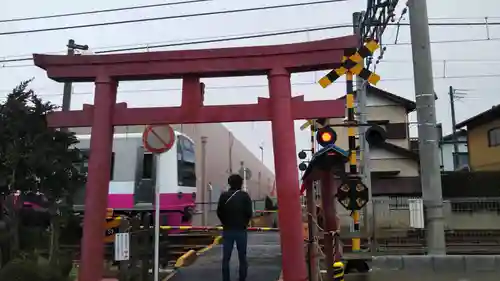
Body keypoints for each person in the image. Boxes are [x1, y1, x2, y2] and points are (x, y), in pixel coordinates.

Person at [216, 174, 253, 281]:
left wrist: (225, 222)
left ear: (229, 183)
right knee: (242, 257)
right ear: (241, 183)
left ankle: (226, 279)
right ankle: (242, 278)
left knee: (226, 258)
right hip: (241, 230)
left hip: (227, 230)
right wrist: (244, 223)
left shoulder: (223, 196)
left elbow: (219, 212)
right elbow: (249, 213)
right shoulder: (245, 196)